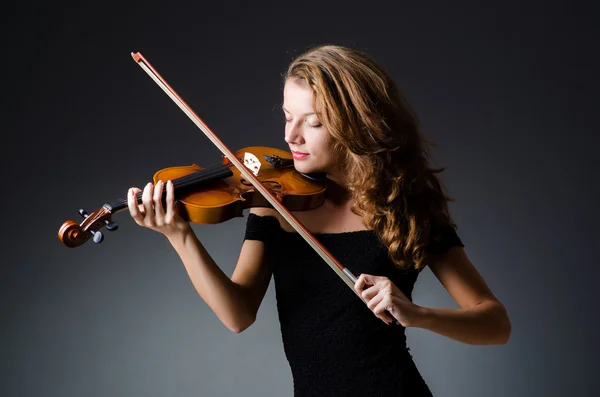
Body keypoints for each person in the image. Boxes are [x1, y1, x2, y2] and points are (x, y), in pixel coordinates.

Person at [126, 44, 511, 396]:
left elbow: (495, 323)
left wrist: (417, 315)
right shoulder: (273, 202)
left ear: (356, 123)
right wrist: (180, 236)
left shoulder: (405, 206)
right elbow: (237, 314)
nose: (291, 136)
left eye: (313, 122)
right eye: (288, 117)